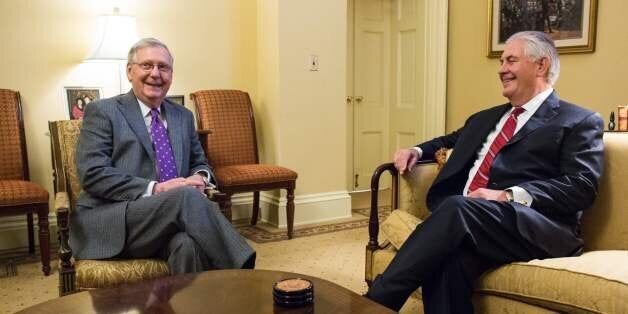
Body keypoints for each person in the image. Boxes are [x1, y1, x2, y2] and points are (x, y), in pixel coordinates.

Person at [365, 31, 604, 313]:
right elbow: (447, 141)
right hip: (472, 223)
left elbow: (581, 185)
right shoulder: (486, 118)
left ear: (541, 65)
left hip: (535, 227)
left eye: (511, 60)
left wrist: (507, 195)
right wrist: (415, 151)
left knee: (457, 208)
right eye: (501, 61)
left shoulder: (578, 120)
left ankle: (374, 303)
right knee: (447, 260)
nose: (501, 69)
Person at [72, 38, 255, 274]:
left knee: (187, 245)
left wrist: (200, 177)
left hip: (165, 223)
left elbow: (200, 162)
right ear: (129, 71)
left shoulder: (183, 116)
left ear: (171, 74)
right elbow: (92, 174)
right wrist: (157, 189)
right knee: (184, 197)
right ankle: (243, 276)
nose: (156, 74)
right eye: (147, 65)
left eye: (163, 67)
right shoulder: (103, 111)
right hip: (115, 220)